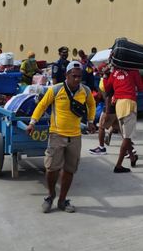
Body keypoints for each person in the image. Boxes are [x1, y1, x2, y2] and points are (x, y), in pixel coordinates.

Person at [27, 62, 95, 213]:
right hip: (57, 135)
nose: (77, 79)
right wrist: (32, 122)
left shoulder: (85, 91)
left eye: (79, 76)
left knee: (69, 170)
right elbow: (42, 105)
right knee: (51, 169)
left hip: (75, 137)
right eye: (74, 76)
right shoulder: (56, 90)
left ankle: (62, 201)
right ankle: (50, 196)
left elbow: (92, 104)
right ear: (67, 76)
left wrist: (90, 121)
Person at [104, 66, 143, 173]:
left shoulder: (114, 72)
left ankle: (132, 158)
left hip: (119, 104)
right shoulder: (134, 70)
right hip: (129, 104)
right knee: (127, 137)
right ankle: (118, 165)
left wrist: (105, 76)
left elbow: (107, 88)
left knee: (125, 135)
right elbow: (141, 87)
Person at [90, 65, 119, 155]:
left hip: (110, 106)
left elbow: (107, 95)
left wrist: (106, 111)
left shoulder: (106, 79)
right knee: (120, 129)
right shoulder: (115, 77)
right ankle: (130, 150)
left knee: (101, 127)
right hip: (117, 105)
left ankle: (101, 148)